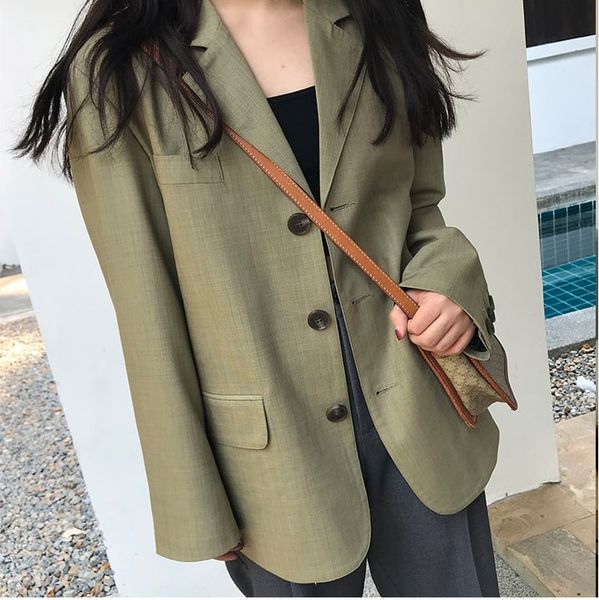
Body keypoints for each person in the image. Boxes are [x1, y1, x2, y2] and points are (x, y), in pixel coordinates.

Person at [14, 0, 502, 596]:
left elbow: (420, 206)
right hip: (268, 457)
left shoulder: (380, 13)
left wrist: (447, 284)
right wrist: (194, 499)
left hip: (418, 398)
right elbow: (147, 311)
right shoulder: (120, 68)